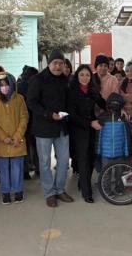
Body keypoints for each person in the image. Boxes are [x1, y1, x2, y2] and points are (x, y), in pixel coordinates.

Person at [27, 51, 73, 208]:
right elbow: (31, 102)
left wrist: (67, 114)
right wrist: (48, 114)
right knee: (45, 162)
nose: (58, 66)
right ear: (49, 64)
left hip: (62, 127)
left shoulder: (65, 80)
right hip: (43, 128)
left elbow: (69, 101)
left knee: (64, 161)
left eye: (61, 63)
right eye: (55, 63)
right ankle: (49, 193)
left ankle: (60, 189)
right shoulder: (38, 79)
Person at [0, 72, 28, 204]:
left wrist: (17, 136)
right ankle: (5, 192)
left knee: (17, 168)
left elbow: (24, 117)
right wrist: (3, 137)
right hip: (1, 143)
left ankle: (18, 191)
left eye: (6, 84)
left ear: (12, 84)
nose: (4, 87)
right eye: (1, 85)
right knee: (3, 169)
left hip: (17, 141)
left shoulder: (19, 99)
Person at [67, 64, 104, 203]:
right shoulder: (71, 91)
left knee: (91, 158)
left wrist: (118, 108)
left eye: (87, 75)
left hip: (91, 130)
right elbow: (72, 115)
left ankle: (82, 183)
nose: (84, 77)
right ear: (77, 76)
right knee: (83, 159)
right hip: (78, 129)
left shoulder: (93, 90)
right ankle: (86, 192)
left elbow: (103, 103)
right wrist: (89, 123)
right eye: (81, 74)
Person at [96, 93, 131, 178]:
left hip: (120, 153)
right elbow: (98, 136)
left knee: (119, 175)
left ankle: (118, 186)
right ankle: (105, 187)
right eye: (113, 102)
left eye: (117, 103)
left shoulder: (123, 118)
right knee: (105, 176)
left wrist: (127, 151)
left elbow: (127, 136)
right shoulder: (102, 118)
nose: (114, 105)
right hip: (105, 154)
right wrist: (98, 151)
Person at [17, 66, 40, 181]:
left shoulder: (18, 86)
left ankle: (25, 171)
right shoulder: (36, 85)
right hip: (34, 119)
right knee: (36, 147)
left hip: (24, 120)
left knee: (25, 147)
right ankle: (38, 169)